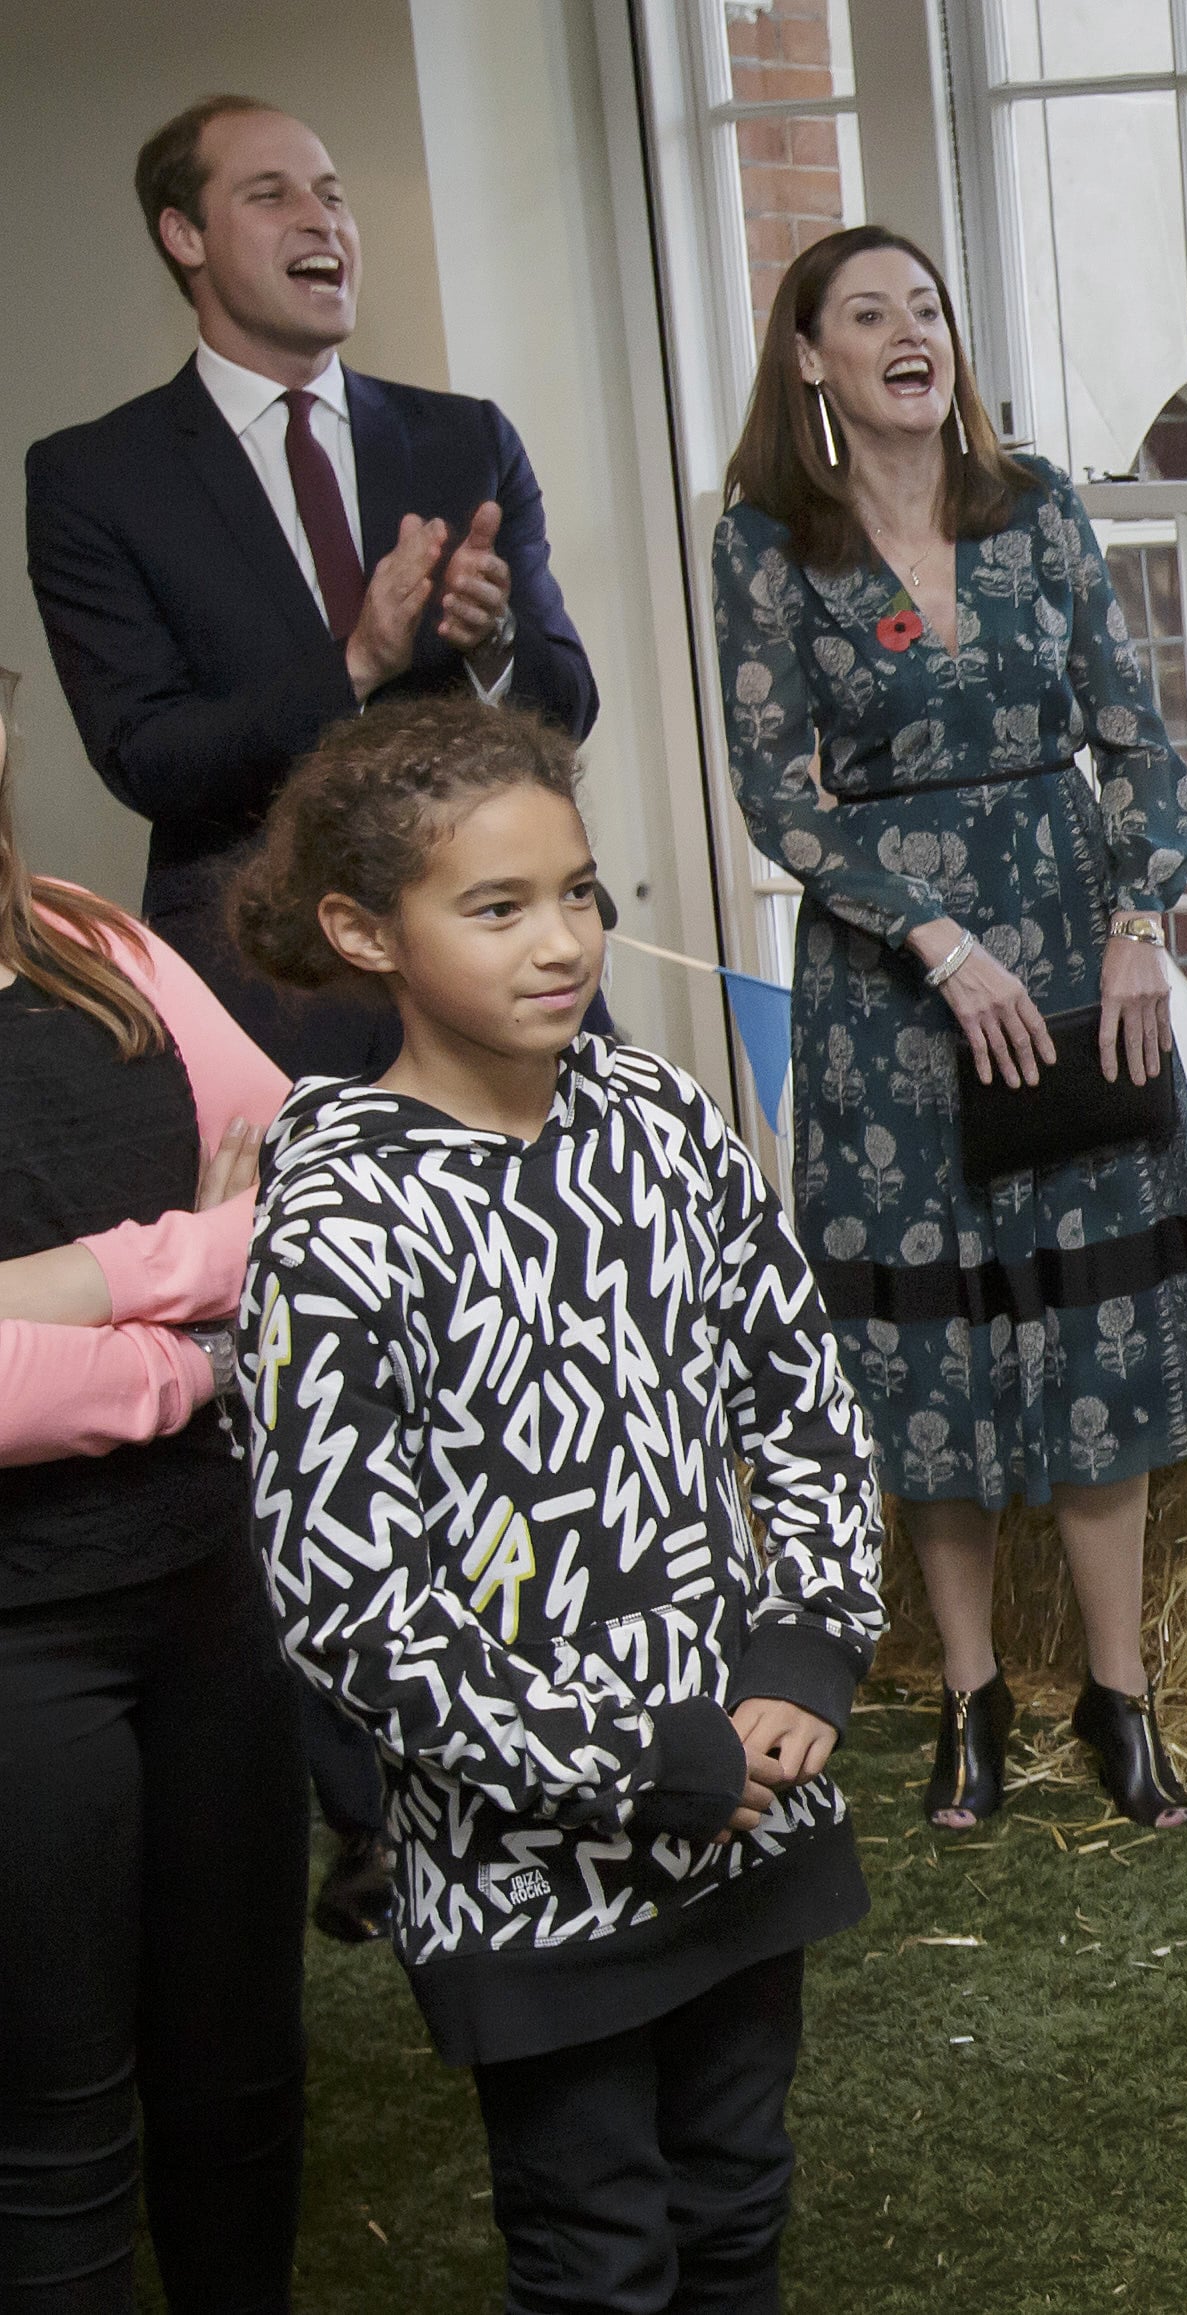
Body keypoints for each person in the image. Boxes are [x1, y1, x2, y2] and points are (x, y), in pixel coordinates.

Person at [24, 91, 600, 1943]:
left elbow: (564, 695)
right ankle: (359, 1796)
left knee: (502, 1353)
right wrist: (350, 661)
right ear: (187, 238)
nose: (320, 217)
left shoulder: (457, 435)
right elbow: (153, 757)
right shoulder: (92, 474)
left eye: (333, 190)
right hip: (244, 998)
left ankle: (539, 1718)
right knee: (299, 1389)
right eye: (272, 193)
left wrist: (493, 642)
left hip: (469, 983)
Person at [230, 696, 885, 2314]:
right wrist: (645, 1758)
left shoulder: (657, 1122)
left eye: (581, 893)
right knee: (601, 2257)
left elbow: (799, 1395)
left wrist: (804, 1642)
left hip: (750, 1804)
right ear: (361, 931)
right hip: (531, 1872)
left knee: (740, 2201)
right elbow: (349, 1607)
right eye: (498, 906)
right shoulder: (332, 1216)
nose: (563, 942)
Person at [712, 224, 1187, 1838]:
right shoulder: (766, 547)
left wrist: (1139, 923)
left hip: (1079, 961)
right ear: (809, 359)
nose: (909, 333)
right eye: (866, 313)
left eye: (928, 308)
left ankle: (1123, 1696)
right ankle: (970, 1697)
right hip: (892, 998)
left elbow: (1137, 738)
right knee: (931, 1351)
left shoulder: (1040, 514)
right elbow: (772, 798)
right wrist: (937, 938)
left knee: (1094, 1327)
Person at [0, 663, 304, 2314]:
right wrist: (195, 1348)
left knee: (240, 2084)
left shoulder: (99, 948)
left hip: (209, 1596)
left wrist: (99, 1272)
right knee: (52, 2123)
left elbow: (303, 1186)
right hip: (16, 1648)